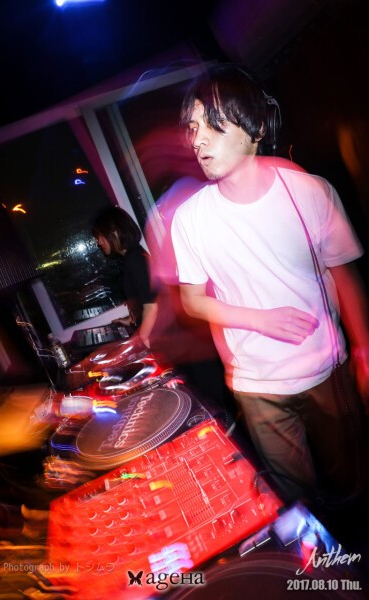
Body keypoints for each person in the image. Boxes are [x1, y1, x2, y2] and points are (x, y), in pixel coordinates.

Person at [170, 63, 369, 504]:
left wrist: (364, 348)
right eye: (193, 127)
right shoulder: (189, 219)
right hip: (257, 387)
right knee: (298, 503)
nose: (197, 139)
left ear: (257, 127)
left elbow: (344, 274)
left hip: (326, 371)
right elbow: (192, 302)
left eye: (213, 124)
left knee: (353, 487)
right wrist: (259, 319)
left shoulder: (309, 191)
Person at [92, 206, 157, 348]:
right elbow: (143, 298)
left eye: (100, 235)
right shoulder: (132, 256)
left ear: (115, 231)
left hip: (161, 337)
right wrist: (130, 319)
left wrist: (141, 338)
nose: (99, 242)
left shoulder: (134, 259)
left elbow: (152, 306)